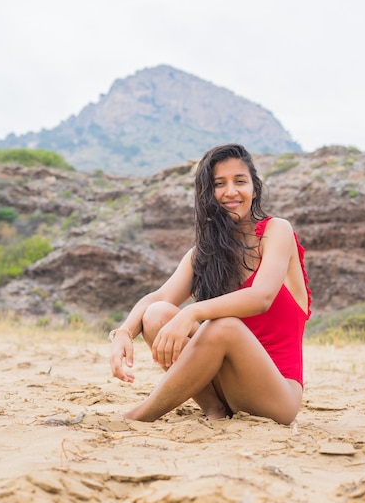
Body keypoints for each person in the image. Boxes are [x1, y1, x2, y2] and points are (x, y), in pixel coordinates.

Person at [109, 143, 311, 425]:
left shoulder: (277, 231)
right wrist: (124, 333)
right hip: (228, 390)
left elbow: (261, 296)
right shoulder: (205, 254)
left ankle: (140, 415)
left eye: (240, 181)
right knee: (158, 314)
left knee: (223, 326)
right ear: (208, 194)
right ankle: (215, 410)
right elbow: (157, 297)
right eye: (219, 184)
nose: (231, 191)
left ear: (254, 187)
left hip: (277, 395)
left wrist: (193, 312)